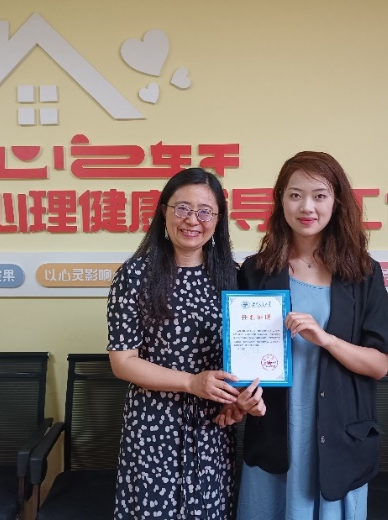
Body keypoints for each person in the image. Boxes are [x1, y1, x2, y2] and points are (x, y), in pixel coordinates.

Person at [225, 151, 388, 520]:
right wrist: (242, 399)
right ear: (280, 201)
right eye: (295, 195)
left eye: (319, 195)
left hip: (340, 436)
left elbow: (379, 365)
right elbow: (240, 355)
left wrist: (326, 339)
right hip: (275, 433)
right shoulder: (256, 271)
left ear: (337, 202)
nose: (307, 207)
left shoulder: (364, 273)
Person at [107, 167, 263, 520]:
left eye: (205, 211)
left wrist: (241, 398)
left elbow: (244, 352)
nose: (193, 220)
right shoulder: (134, 275)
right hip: (152, 426)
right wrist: (191, 382)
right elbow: (123, 361)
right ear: (164, 211)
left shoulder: (233, 276)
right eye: (182, 208)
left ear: (218, 221)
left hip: (212, 427)